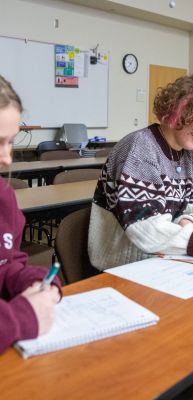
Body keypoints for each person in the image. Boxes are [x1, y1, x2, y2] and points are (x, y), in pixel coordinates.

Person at [88, 73, 193, 270]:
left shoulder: (192, 161)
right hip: (125, 266)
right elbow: (144, 229)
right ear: (183, 108)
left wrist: (188, 223)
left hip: (167, 258)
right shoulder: (139, 149)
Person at [0, 75, 61, 354]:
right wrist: (21, 317)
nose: (7, 159)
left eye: (10, 142)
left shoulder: (4, 197)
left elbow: (6, 264)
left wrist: (33, 281)